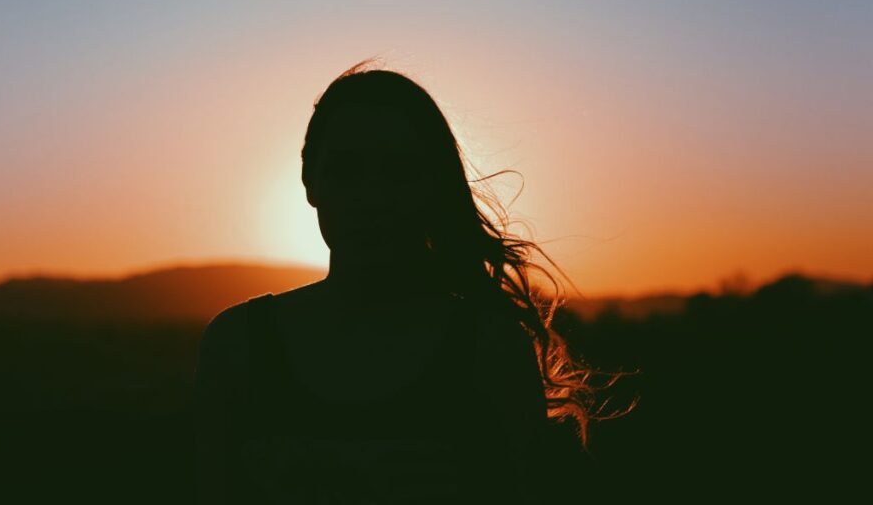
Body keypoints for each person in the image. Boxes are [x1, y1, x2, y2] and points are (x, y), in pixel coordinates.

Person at [190, 59, 600, 504]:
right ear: (309, 180)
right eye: (346, 170)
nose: (372, 198)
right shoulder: (238, 346)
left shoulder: (491, 351)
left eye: (399, 172)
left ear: (432, 186)